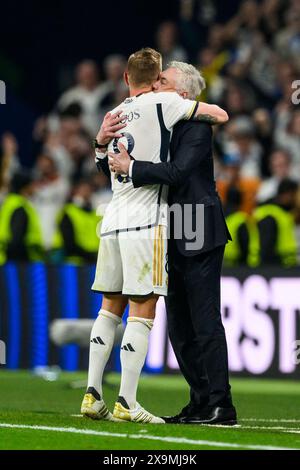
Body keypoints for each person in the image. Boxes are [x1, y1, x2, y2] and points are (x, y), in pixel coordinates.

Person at [81, 48, 229, 424]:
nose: (157, 85)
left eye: (165, 82)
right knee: (178, 323)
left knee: (204, 318)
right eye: (158, 79)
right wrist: (106, 149)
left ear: (183, 94)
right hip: (163, 227)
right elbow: (112, 163)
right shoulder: (159, 119)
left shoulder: (194, 125)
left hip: (195, 225)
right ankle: (198, 399)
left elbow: (178, 173)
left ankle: (219, 403)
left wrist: (134, 167)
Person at [52, 180, 100, 265]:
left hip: (93, 261)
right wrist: (90, 255)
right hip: (73, 262)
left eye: (89, 190)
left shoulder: (95, 214)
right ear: (75, 192)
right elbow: (69, 243)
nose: (86, 194)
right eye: (83, 190)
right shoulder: (68, 212)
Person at [0, 172, 44, 265]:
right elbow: (17, 238)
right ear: (25, 187)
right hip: (17, 262)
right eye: (32, 184)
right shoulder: (20, 207)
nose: (34, 188)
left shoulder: (8, 203)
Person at [254, 179, 299, 267]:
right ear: (288, 194)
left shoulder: (282, 213)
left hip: (285, 267)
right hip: (277, 269)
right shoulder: (270, 214)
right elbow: (266, 249)